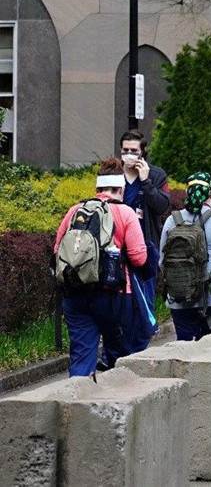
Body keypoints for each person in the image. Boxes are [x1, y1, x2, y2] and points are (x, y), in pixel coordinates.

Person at [54, 157, 148, 377]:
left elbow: (58, 249)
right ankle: (116, 406)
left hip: (75, 292)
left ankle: (76, 402)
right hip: (113, 295)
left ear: (97, 187)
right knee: (121, 357)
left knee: (82, 353)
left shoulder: (75, 210)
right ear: (120, 188)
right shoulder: (125, 213)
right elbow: (139, 258)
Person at [159, 172, 211, 342]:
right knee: (210, 347)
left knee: (184, 345)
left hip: (179, 294)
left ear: (187, 192)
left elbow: (162, 261)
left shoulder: (172, 220)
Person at [119, 129, 170, 350]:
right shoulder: (113, 173)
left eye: (134, 151)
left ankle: (139, 348)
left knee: (144, 301)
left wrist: (146, 181)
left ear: (143, 152)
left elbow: (162, 206)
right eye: (125, 150)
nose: (129, 154)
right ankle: (119, 348)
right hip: (117, 248)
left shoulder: (156, 176)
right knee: (121, 302)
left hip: (144, 247)